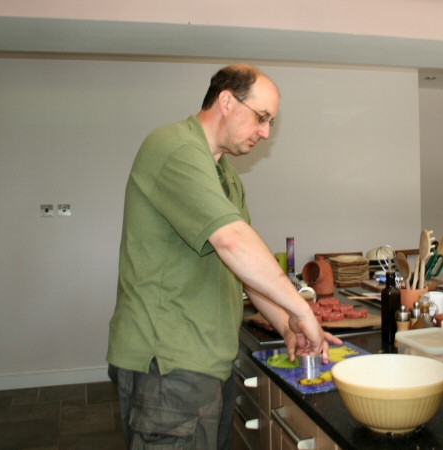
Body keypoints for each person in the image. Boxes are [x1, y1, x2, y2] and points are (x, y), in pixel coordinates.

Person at [107, 64, 341, 450]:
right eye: (261, 117)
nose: (265, 132)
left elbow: (247, 269)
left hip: (208, 363)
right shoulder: (174, 147)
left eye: (270, 122)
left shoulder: (225, 174)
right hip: (167, 365)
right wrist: (301, 310)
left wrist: (287, 327)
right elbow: (233, 242)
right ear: (227, 101)